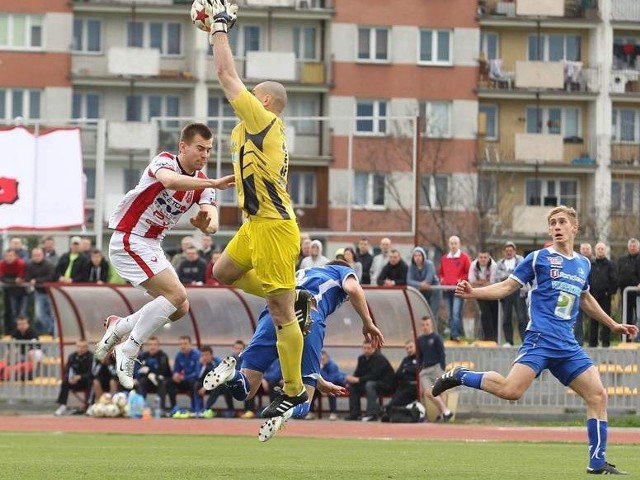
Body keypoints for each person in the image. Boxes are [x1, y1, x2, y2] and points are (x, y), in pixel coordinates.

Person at [434, 206, 639, 475]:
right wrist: (475, 292)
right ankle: (461, 375)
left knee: (598, 395)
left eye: (562, 222)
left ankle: (597, 462)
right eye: (552, 222)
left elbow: (585, 298)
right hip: (540, 340)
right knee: (511, 391)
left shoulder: (583, 263)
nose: (556, 226)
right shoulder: (538, 258)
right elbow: (507, 286)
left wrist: (613, 324)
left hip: (567, 345)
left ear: (574, 228)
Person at [200, 0, 313, 417]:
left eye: (253, 94)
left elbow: (226, 74)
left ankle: (295, 390)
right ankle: (293, 294)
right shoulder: (253, 127)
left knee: (280, 311)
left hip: (274, 228)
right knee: (222, 272)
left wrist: (219, 26)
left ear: (263, 100)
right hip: (254, 225)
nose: (244, 97)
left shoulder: (262, 121)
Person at [92, 122, 234, 390]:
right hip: (129, 238)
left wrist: (207, 225)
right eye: (200, 148)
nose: (205, 155)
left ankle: (120, 326)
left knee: (181, 308)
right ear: (183, 147)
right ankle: (129, 349)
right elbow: (169, 181)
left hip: (151, 245)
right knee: (176, 295)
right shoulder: (165, 161)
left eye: (209, 150)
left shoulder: (203, 185)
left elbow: (212, 219)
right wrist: (213, 181)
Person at [202, 260, 384, 439]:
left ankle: (231, 375)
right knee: (304, 401)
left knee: (247, 390)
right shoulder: (339, 271)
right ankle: (283, 415)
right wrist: (368, 323)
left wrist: (319, 380)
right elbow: (353, 289)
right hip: (309, 314)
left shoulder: (303, 272)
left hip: (274, 313)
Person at [346, 339, 395, 421]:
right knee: (353, 387)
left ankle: (371, 414)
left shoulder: (380, 359)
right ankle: (354, 414)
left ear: (374, 348)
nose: (366, 350)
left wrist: (358, 380)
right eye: (364, 348)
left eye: (369, 348)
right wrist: (352, 379)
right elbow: (358, 373)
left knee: (370, 385)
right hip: (370, 383)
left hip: (386, 385)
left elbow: (375, 375)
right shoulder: (361, 358)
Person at [416, 316, 453, 422]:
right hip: (425, 369)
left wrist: (442, 367)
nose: (425, 327)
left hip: (437, 367)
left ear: (431, 325)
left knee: (441, 391)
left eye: (427, 324)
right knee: (428, 392)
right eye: (423, 325)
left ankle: (441, 415)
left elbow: (442, 353)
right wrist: (419, 369)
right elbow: (420, 356)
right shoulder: (420, 340)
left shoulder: (436, 338)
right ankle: (446, 411)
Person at [492, 241, 528, 346]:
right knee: (506, 317)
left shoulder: (520, 260)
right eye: (507, 251)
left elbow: (522, 273)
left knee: (522, 317)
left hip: (519, 291)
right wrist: (512, 275)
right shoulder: (500, 263)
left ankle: (524, 341)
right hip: (505, 292)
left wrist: (507, 276)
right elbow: (497, 276)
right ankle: (508, 341)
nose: (509, 252)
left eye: (511, 250)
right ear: (504, 252)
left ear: (514, 251)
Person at [438, 235, 471, 341]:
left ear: (459, 244)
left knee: (456, 312)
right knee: (449, 314)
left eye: (455, 243)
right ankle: (452, 335)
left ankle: (456, 334)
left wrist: (460, 281)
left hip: (458, 290)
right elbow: (440, 273)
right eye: (451, 243)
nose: (453, 246)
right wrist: (442, 281)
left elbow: (468, 272)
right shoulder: (444, 258)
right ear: (449, 244)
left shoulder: (464, 257)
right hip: (447, 290)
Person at [588, 242, 617, 348]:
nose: (600, 251)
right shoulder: (591, 264)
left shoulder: (610, 265)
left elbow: (614, 280)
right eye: (598, 249)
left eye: (602, 249)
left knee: (605, 320)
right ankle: (592, 344)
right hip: (593, 296)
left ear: (605, 251)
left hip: (605, 297)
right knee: (593, 320)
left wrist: (609, 292)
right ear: (595, 250)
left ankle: (605, 343)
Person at [54, 339, 94, 416]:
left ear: (87, 348)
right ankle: (63, 406)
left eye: (83, 347)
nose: (81, 349)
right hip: (74, 382)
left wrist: (80, 377)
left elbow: (92, 373)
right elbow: (67, 370)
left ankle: (90, 406)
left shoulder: (91, 357)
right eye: (79, 347)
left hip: (85, 381)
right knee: (65, 381)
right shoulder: (72, 356)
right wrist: (70, 378)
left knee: (91, 381)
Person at [381, 340, 419, 418]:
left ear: (416, 347)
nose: (409, 350)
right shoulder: (406, 360)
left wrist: (406, 370)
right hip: (403, 385)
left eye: (411, 347)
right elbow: (398, 374)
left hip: (414, 386)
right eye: (407, 348)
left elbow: (416, 371)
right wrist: (408, 370)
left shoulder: (420, 358)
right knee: (395, 398)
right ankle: (389, 412)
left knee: (397, 401)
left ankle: (388, 411)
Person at [135, 336, 172, 414]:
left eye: (155, 345)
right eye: (150, 345)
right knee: (142, 381)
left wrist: (149, 372)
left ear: (158, 346)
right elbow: (140, 371)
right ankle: (140, 407)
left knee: (162, 382)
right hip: (148, 381)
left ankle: (161, 409)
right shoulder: (143, 356)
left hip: (161, 381)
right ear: (148, 346)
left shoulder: (163, 356)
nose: (152, 347)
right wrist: (149, 374)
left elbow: (162, 371)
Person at [406, 246, 441, 330]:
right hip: (421, 292)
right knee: (421, 313)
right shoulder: (412, 267)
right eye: (415, 256)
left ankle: (434, 332)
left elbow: (429, 279)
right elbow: (409, 281)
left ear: (423, 256)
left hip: (434, 292)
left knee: (432, 313)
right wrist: (420, 284)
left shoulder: (429, 264)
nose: (417, 258)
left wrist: (418, 285)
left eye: (419, 255)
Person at [24, 247, 56, 336]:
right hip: (39, 293)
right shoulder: (29, 265)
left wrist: (36, 280)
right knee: (39, 315)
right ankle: (51, 329)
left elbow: (50, 278)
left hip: (51, 292)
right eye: (34, 255)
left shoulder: (49, 264)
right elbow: (27, 277)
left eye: (39, 255)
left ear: (43, 255)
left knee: (53, 314)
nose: (36, 257)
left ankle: (52, 332)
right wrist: (34, 280)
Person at [468, 251, 498, 342]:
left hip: (493, 293)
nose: (483, 259)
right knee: (485, 314)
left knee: (494, 315)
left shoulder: (493, 265)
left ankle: (495, 338)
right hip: (480, 293)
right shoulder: (473, 265)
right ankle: (488, 338)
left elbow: (493, 282)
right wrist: (483, 283)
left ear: (488, 258)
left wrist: (480, 282)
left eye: (485, 257)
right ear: (478, 257)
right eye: (481, 257)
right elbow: (471, 282)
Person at [167, 335, 201, 413]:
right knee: (169, 382)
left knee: (193, 382)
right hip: (184, 381)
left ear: (190, 344)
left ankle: (195, 409)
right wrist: (175, 375)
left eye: (185, 344)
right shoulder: (179, 355)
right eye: (181, 344)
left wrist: (184, 377)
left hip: (195, 381)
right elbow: (176, 370)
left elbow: (197, 373)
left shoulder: (197, 355)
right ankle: (174, 408)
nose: (183, 346)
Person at [616, 238, 640, 339]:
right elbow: (618, 275)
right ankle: (626, 339)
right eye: (631, 246)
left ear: (638, 247)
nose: (632, 248)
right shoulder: (622, 260)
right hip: (625, 294)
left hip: (638, 293)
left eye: (634, 246)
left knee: (639, 316)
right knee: (626, 317)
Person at [0, 248, 27, 335]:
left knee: (22, 313)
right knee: (11, 313)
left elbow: (21, 277)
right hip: (8, 291)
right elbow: (2, 278)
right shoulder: (2, 264)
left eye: (11, 256)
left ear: (15, 256)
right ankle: (11, 333)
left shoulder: (20, 263)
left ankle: (22, 332)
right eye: (7, 256)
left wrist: (12, 280)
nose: (9, 258)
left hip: (22, 292)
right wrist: (14, 280)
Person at [574, 242, 594, 345]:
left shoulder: (593, 263)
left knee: (593, 319)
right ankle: (579, 341)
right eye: (584, 248)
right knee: (578, 319)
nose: (585, 250)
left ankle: (593, 342)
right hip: (578, 294)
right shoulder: (577, 262)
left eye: (587, 248)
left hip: (593, 295)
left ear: (591, 250)